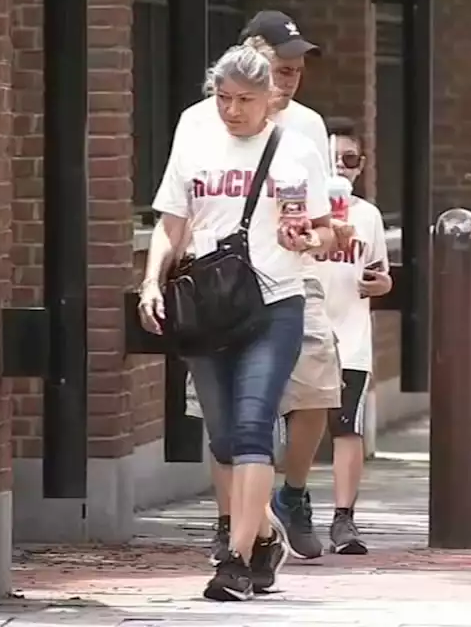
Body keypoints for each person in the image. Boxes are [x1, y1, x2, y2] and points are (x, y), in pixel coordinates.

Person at [138, 44, 332, 600]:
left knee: (253, 428)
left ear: (270, 98)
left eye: (245, 99)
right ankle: (266, 535)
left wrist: (308, 239)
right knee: (223, 437)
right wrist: (153, 280)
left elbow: (324, 229)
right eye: (223, 97)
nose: (232, 109)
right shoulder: (194, 135)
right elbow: (171, 222)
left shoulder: (296, 148)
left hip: (275, 303)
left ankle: (237, 560)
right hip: (208, 304)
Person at [181, 11, 345, 565]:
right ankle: (239, 523)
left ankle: (289, 496)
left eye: (297, 68)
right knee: (228, 421)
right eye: (281, 65)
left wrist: (321, 235)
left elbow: (323, 216)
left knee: (317, 389)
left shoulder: (307, 128)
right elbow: (176, 209)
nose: (290, 76)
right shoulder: (200, 123)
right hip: (218, 286)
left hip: (291, 281)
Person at [315, 117, 392, 552]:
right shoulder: (298, 210)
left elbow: (378, 274)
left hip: (351, 336)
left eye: (350, 160)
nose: (341, 168)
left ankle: (344, 519)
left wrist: (382, 285)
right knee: (295, 426)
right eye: (333, 159)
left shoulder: (369, 217)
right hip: (304, 329)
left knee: (347, 427)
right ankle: (294, 501)